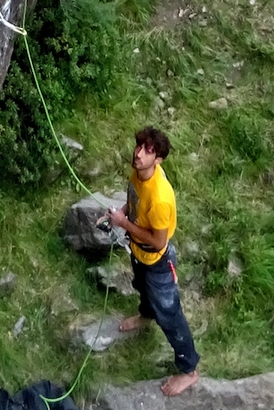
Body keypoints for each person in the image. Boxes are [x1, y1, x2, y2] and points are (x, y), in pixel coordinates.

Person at [110, 127, 200, 394]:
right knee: (142, 287)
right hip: (138, 255)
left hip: (157, 261)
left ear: (158, 159)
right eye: (139, 146)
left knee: (170, 316)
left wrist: (123, 223)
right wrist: (119, 214)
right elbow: (134, 201)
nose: (138, 153)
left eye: (148, 151)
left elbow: (159, 242)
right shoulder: (139, 172)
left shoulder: (161, 199)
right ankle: (145, 316)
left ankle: (189, 370)